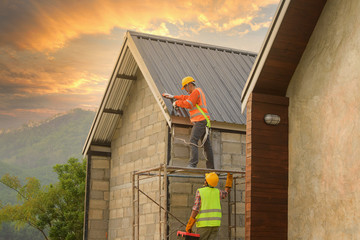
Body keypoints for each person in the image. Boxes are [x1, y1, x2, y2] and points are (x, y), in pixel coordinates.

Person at [162, 76, 214, 169]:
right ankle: (211, 167)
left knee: (193, 140)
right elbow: (184, 97)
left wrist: (176, 103)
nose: (185, 90)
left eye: (185, 87)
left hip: (200, 121)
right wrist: (173, 96)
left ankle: (192, 164)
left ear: (190, 85)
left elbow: (189, 104)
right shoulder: (197, 92)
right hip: (204, 121)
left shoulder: (196, 92)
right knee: (207, 145)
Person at [185, 172, 233, 240]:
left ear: (206, 182)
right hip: (215, 225)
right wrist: (229, 180)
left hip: (203, 225)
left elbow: (196, 209)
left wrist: (190, 224)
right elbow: (226, 192)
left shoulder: (200, 191)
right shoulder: (218, 192)